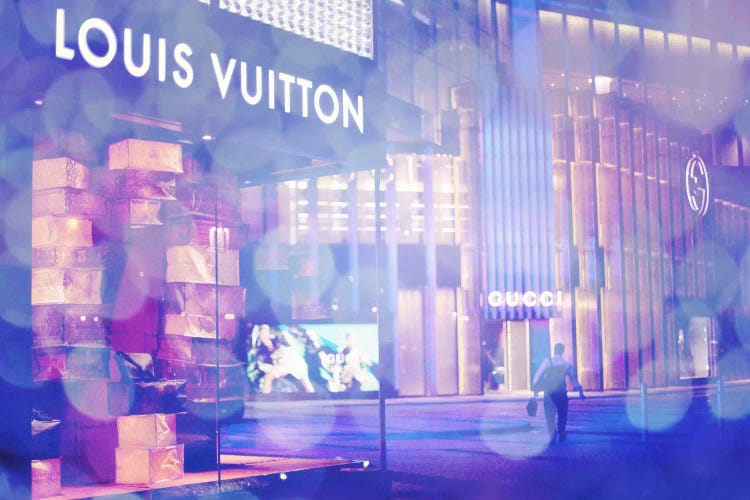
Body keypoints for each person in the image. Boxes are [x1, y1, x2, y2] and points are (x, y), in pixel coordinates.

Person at [532, 343, 585, 444]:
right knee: (562, 415)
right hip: (561, 393)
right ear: (562, 351)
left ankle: (552, 436)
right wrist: (580, 392)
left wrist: (535, 389)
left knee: (549, 416)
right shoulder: (566, 364)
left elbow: (538, 375)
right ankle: (561, 434)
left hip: (549, 393)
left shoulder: (547, 361)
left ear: (554, 350)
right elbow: (574, 380)